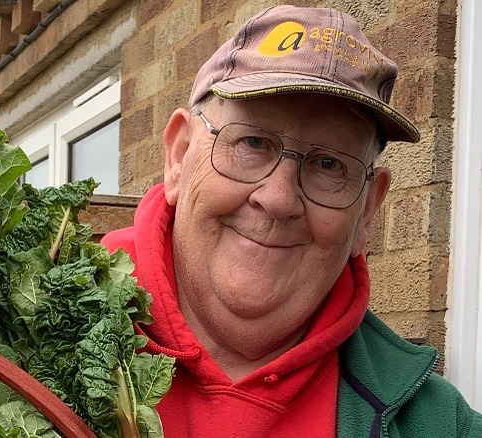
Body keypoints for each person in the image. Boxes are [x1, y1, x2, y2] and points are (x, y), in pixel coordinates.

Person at [101, 5, 482, 437]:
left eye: (329, 164)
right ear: (178, 155)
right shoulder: (26, 337)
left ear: (367, 211)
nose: (279, 199)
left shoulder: (439, 424)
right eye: (252, 142)